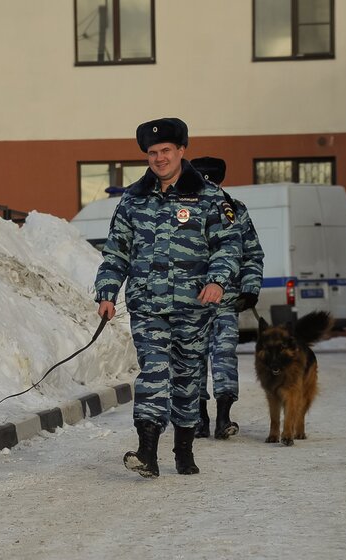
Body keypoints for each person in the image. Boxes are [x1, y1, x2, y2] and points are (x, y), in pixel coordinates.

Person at [94, 118, 242, 478]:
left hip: (194, 307)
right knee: (154, 374)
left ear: (181, 151)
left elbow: (229, 245)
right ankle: (147, 452)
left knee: (188, 379)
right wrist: (108, 292)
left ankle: (184, 448)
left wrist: (218, 282)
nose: (159, 158)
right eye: (152, 153)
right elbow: (116, 251)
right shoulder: (133, 198)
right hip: (147, 306)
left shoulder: (210, 197)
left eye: (166, 151)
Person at [190, 157, 265, 440]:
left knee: (223, 357)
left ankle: (223, 417)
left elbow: (252, 255)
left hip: (226, 300)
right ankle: (198, 418)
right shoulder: (183, 207)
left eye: (211, 179)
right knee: (191, 358)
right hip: (190, 301)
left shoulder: (235, 210)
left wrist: (250, 289)